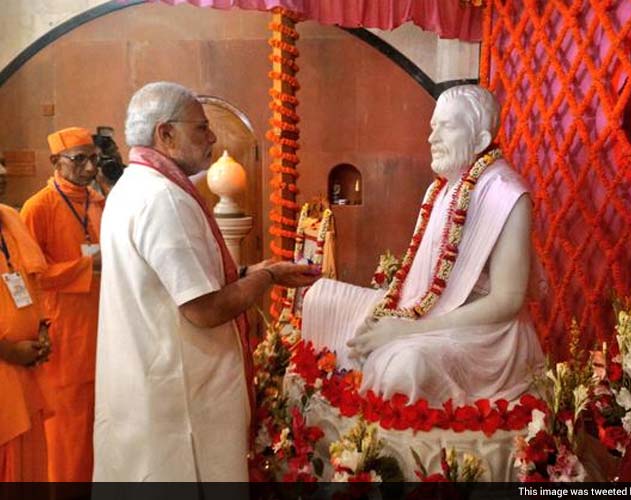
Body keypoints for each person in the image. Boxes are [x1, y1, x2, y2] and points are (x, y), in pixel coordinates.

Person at [94, 81, 320, 482]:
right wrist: (266, 278)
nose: (212, 137)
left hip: (147, 390)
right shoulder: (162, 198)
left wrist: (253, 273)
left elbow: (179, 286)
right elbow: (205, 308)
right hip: (179, 407)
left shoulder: (133, 186)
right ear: (165, 133)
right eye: (201, 127)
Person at [302, 85, 544, 407]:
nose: (432, 139)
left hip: (484, 334)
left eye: (447, 127)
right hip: (427, 309)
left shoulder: (506, 194)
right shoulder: (441, 190)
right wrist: (391, 313)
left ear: (481, 140)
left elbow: (507, 302)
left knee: (404, 368)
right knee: (321, 298)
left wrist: (407, 330)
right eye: (433, 128)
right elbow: (423, 289)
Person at [20, 127, 103, 482]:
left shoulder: (99, 201)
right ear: (56, 162)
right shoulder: (38, 207)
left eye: (94, 159)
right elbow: (31, 275)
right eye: (79, 159)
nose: (88, 168)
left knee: (101, 417)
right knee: (68, 423)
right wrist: (87, 266)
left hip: (104, 323)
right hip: (65, 331)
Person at [0, 203, 51, 481]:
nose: (3, 173)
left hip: (24, 375)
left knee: (29, 469)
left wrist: (42, 328)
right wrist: (8, 351)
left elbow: (34, 282)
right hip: (7, 367)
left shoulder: (10, 217)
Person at [91, 126, 125, 197]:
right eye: (102, 158)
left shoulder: (132, 176)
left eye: (113, 151)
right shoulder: (86, 185)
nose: (109, 162)